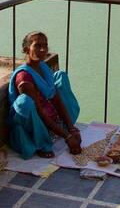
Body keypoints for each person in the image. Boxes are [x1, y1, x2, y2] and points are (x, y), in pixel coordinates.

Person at [7, 31, 83, 159]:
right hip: (36, 119)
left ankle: (61, 128)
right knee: (25, 102)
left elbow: (56, 98)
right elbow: (39, 112)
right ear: (27, 49)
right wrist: (67, 137)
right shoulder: (24, 78)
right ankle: (41, 142)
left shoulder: (43, 67)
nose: (42, 50)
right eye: (37, 46)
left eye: (45, 45)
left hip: (49, 114)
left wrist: (71, 128)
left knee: (61, 77)